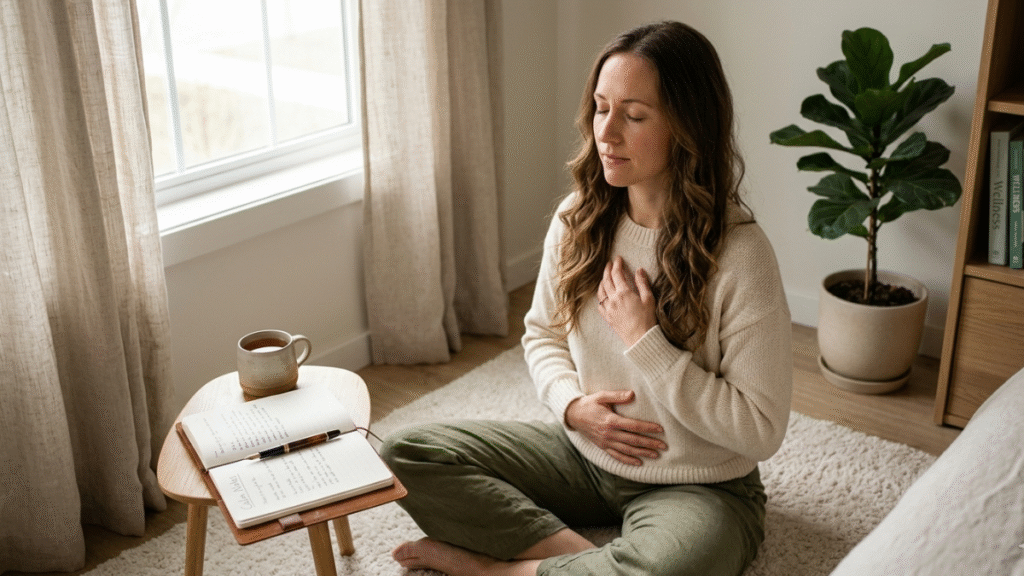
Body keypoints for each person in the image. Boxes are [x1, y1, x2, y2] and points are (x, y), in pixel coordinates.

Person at [380, 20, 793, 576]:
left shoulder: (742, 253)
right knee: (405, 455)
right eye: (601, 108)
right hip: (587, 456)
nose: (607, 132)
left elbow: (761, 429)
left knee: (675, 567)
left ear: (687, 127)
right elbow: (542, 332)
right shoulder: (580, 218)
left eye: (635, 115)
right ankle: (571, 558)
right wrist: (573, 408)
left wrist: (646, 341)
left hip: (701, 484)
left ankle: (498, 571)